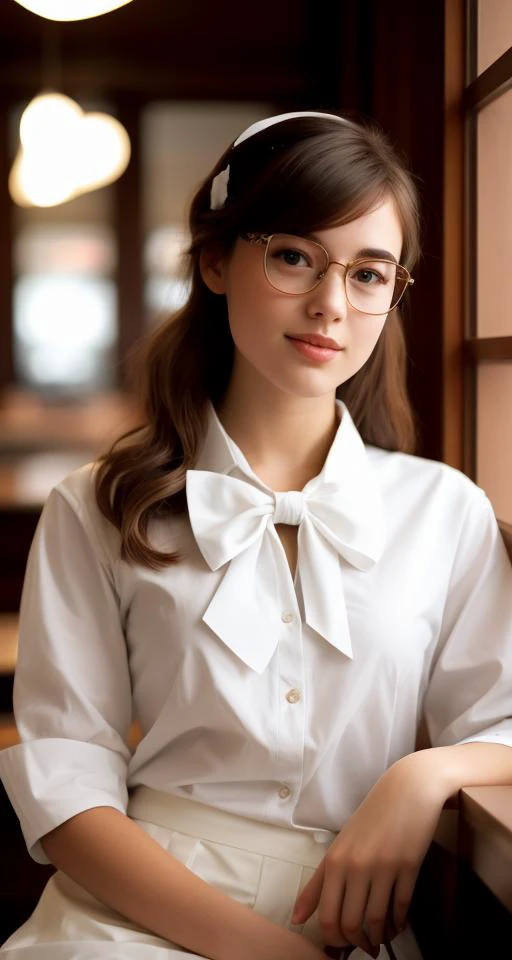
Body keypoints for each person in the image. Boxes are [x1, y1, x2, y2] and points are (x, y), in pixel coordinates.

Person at [1, 110, 511, 960]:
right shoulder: (95, 505)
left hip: (356, 930)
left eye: (369, 275)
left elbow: (501, 723)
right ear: (215, 260)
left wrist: (425, 774)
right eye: (294, 257)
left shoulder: (444, 512)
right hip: (128, 925)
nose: (329, 305)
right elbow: (65, 787)